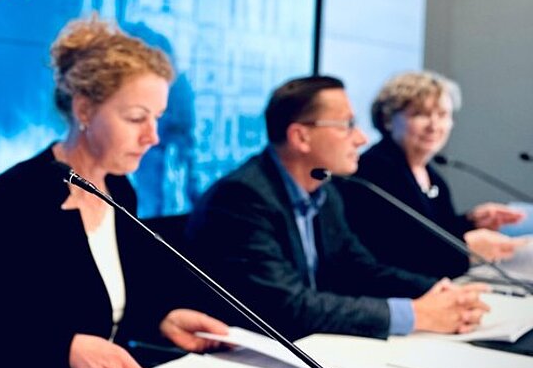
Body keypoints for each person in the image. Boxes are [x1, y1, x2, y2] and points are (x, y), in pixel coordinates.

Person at [0, 16, 229, 368]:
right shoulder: (8, 200)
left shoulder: (120, 190)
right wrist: (64, 347)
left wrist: (164, 319)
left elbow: (114, 310)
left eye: (157, 118)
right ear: (84, 109)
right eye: (137, 118)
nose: (153, 137)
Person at [185, 76, 489, 341]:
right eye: (347, 126)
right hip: (239, 359)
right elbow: (288, 307)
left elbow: (358, 268)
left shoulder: (325, 191)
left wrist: (438, 292)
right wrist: (415, 315)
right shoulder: (242, 198)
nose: (361, 138)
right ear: (301, 136)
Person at [338, 71, 525, 278]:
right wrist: (466, 250)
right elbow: (395, 251)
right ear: (388, 119)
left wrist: (471, 222)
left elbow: (433, 232)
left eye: (443, 115)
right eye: (421, 114)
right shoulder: (374, 171)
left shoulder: (433, 177)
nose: (434, 126)